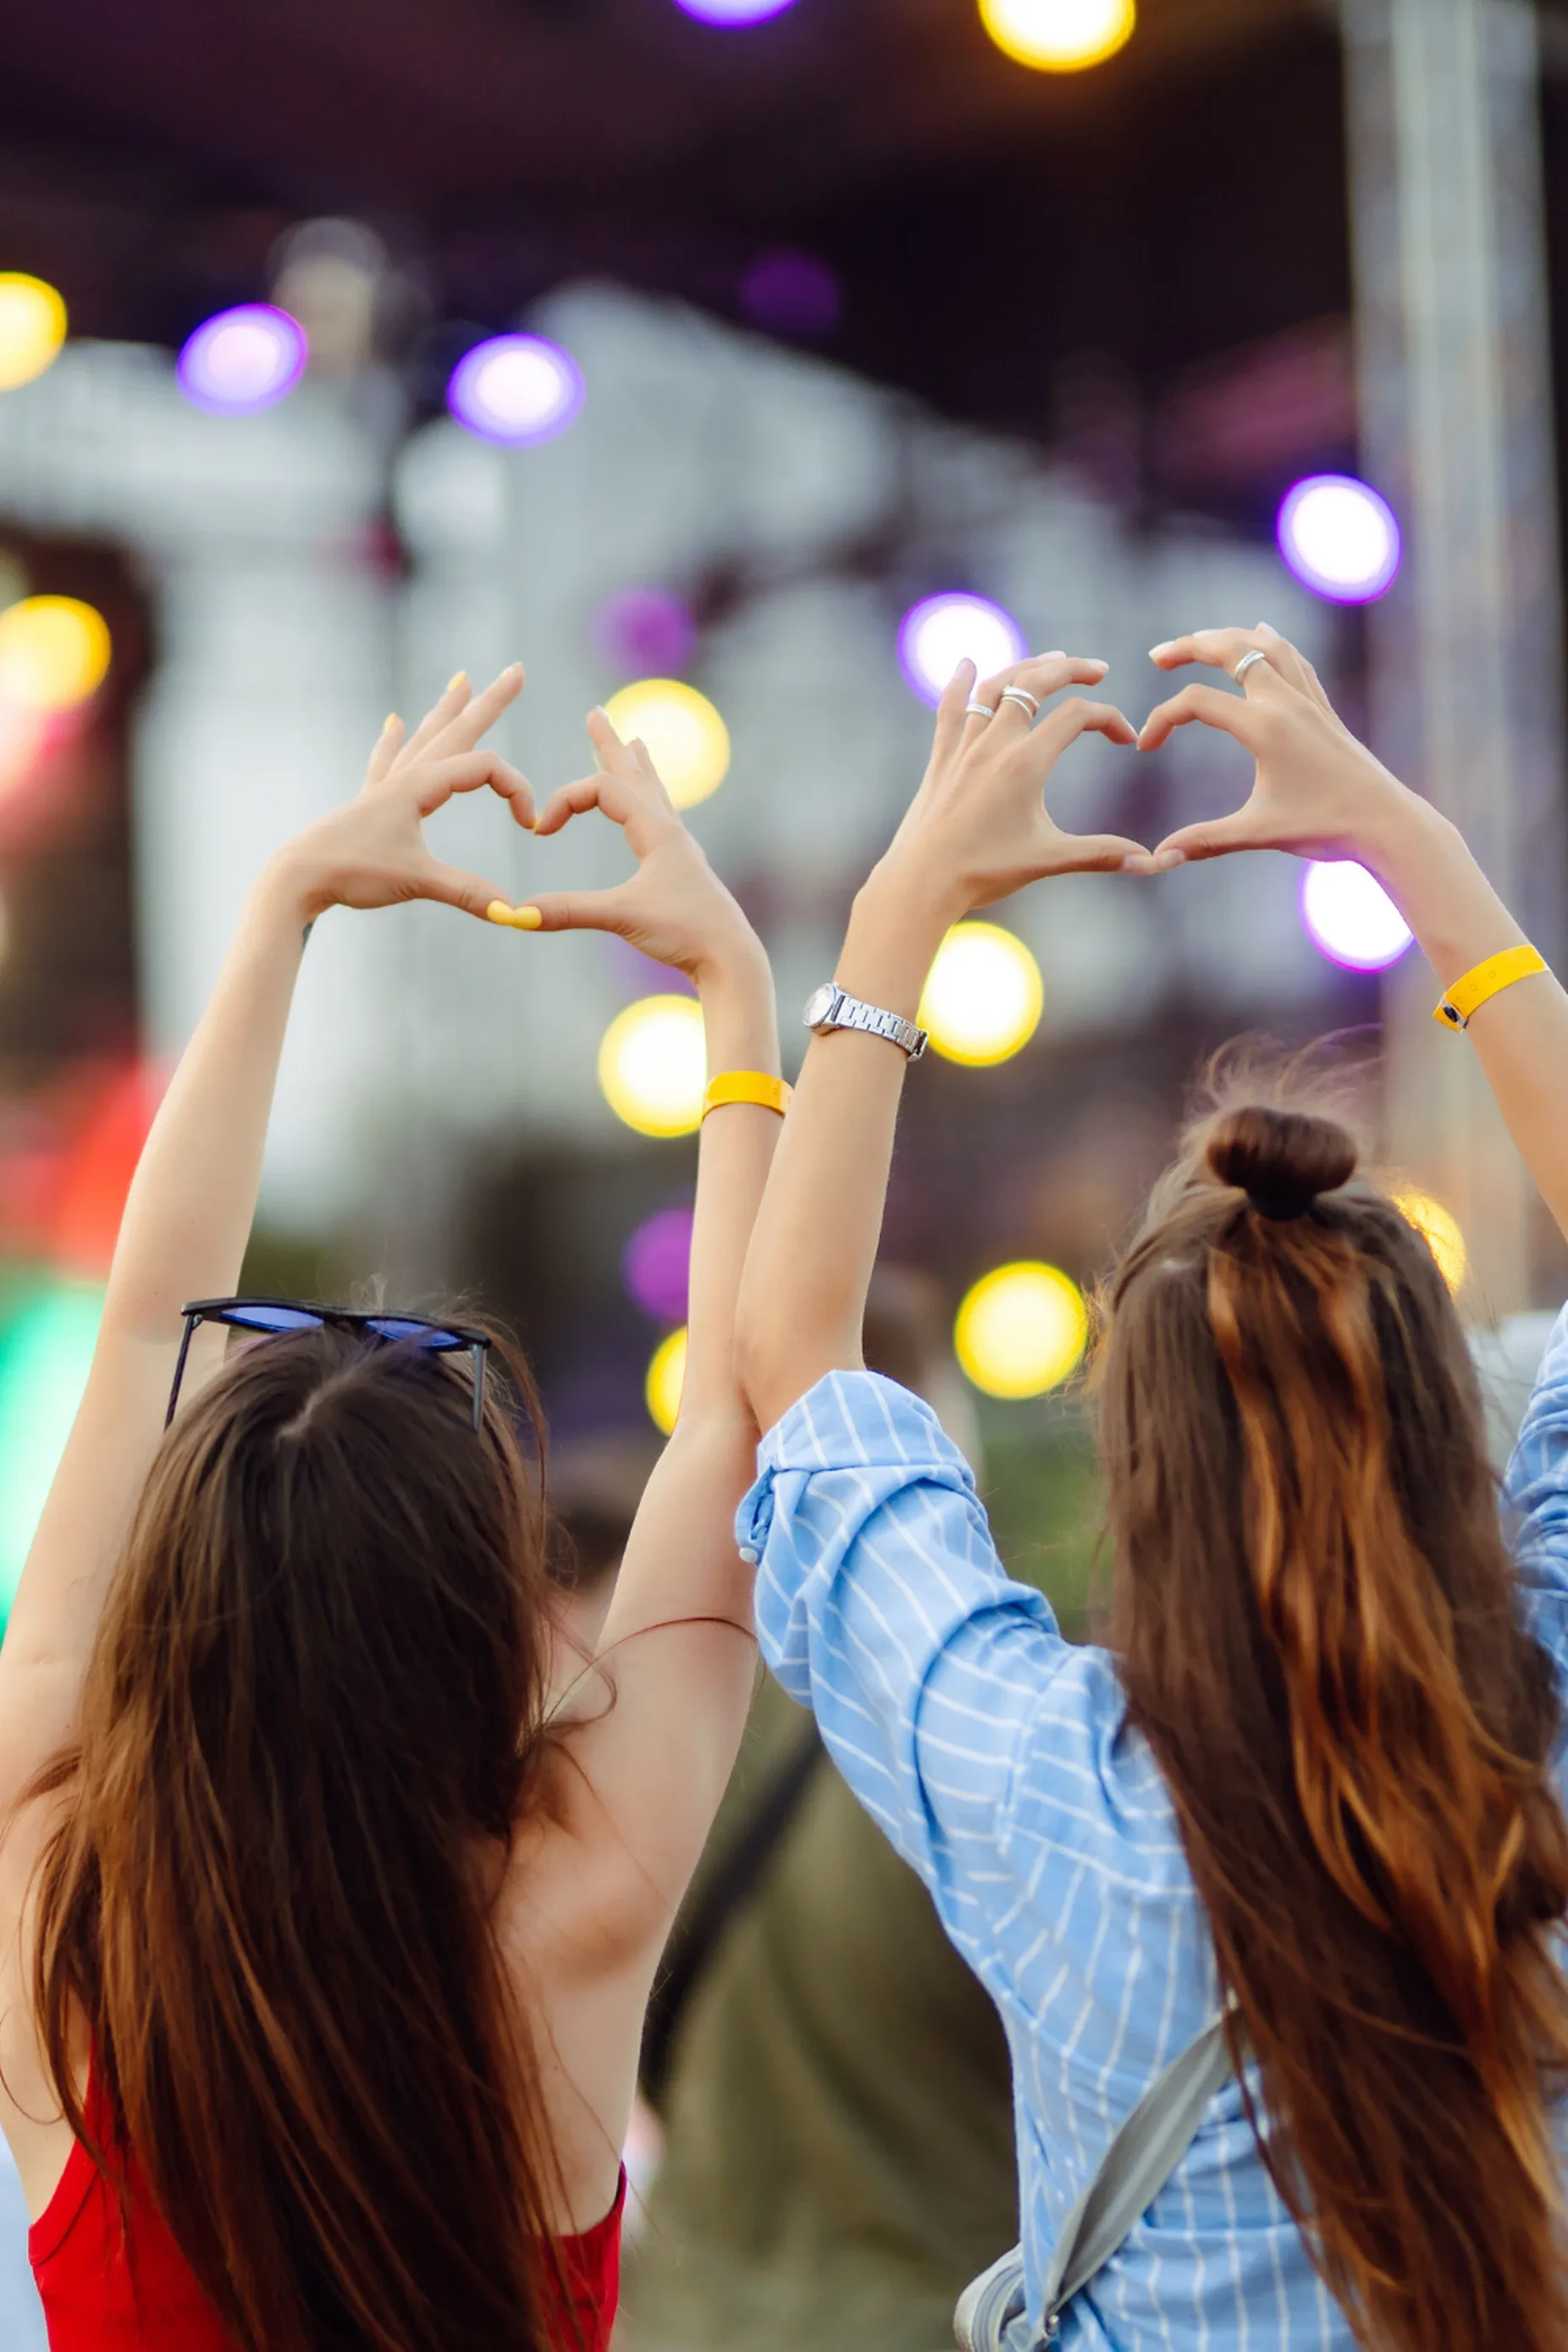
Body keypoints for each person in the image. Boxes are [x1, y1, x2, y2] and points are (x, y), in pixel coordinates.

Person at [732, 627, 1568, 2352]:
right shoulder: (1538, 1729)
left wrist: (902, 909)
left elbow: (789, 1350)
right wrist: (1418, 855)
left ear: (1133, 1464)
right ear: (1436, 1415)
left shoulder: (1053, 1797)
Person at [0, 665, 784, 2351]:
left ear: (172, 1599)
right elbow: (735, 1398)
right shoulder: (573, 1905)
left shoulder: (49, 1895)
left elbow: (144, 1320)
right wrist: (729, 987)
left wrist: (282, 909)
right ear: (475, 1617)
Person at [624, 1269, 1019, 2352]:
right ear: (932, 1448)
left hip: (676, 2321)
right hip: (920, 2321)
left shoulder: (659, 1729)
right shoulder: (992, 1742)